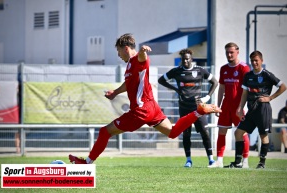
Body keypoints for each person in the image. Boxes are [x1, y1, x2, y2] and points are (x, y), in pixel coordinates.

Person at [68, 33, 221, 164]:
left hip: (141, 110)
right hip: (151, 107)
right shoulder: (129, 66)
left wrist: (142, 51)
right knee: (173, 133)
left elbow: (143, 59)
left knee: (104, 132)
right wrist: (115, 92)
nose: (118, 54)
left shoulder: (138, 60)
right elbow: (129, 84)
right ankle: (199, 112)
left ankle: (87, 163)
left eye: (118, 51)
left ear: (126, 48)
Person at [225, 50, 286, 168]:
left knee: (263, 135)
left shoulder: (267, 75)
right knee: (238, 133)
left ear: (261, 61)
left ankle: (262, 163)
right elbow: (244, 93)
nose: (254, 63)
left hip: (263, 109)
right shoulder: (248, 75)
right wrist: (240, 108)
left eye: (256, 60)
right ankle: (238, 162)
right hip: (251, 110)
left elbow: (283, 87)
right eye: (252, 61)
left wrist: (270, 98)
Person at [158, 48, 218, 167]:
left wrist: (206, 98)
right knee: (186, 133)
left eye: (187, 59)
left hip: (198, 108)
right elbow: (161, 80)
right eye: (183, 59)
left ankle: (211, 160)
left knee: (204, 132)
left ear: (191, 59)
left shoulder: (200, 70)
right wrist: (175, 89)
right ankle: (188, 160)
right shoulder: (176, 71)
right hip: (184, 107)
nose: (185, 61)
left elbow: (215, 82)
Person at [209, 42, 250, 168]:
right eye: (227, 52)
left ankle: (245, 161)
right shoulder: (224, 68)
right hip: (226, 106)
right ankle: (219, 161)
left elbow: (246, 89)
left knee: (242, 133)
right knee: (222, 131)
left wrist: (243, 106)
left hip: (238, 107)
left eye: (231, 52)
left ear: (237, 52)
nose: (229, 54)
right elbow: (221, 88)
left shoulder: (244, 68)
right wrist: (218, 105)